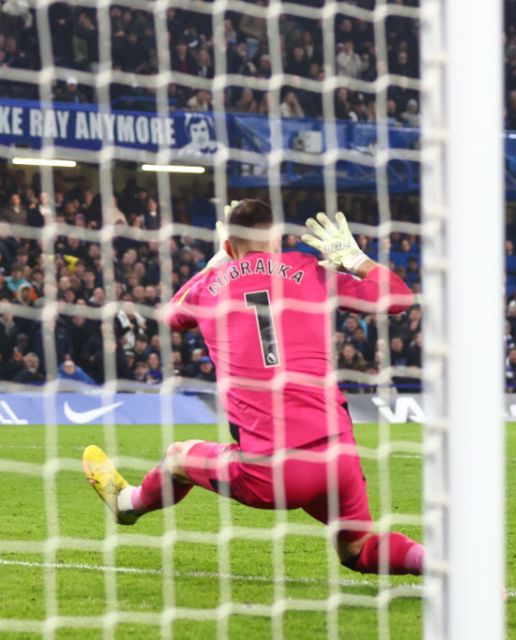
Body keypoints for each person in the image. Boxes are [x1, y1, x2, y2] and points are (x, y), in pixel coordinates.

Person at [82, 200, 424, 575]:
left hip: (272, 472)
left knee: (179, 456)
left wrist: (213, 266)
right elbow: (398, 298)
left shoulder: (208, 287)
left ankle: (128, 503)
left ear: (229, 246)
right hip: (336, 457)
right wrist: (355, 258)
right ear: (276, 239)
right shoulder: (310, 270)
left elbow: (170, 316)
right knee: (358, 549)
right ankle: (438, 565)